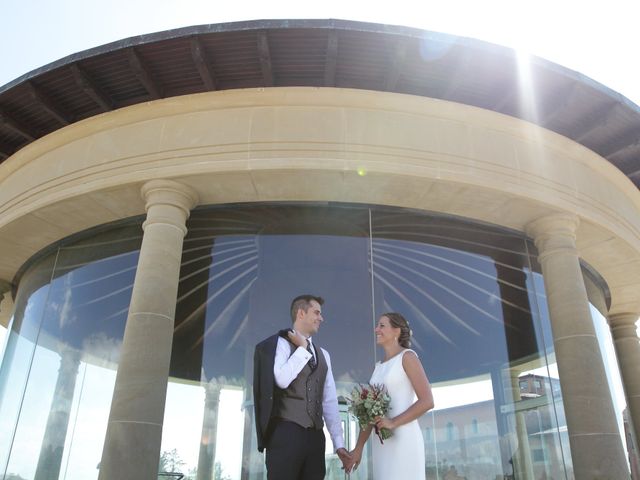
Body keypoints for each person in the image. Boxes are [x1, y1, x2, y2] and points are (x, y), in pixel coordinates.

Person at [253, 294, 352, 479]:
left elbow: (329, 401)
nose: (321, 318)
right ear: (300, 313)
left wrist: (338, 443)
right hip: (285, 434)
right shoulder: (280, 344)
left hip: (315, 437)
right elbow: (281, 379)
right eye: (316, 312)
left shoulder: (325, 355)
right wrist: (303, 349)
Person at [347, 312, 434, 479]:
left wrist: (393, 422)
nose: (376, 329)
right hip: (382, 444)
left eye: (382, 325)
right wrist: (358, 449)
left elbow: (427, 401)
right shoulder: (378, 367)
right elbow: (370, 414)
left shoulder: (407, 357)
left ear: (396, 331)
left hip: (404, 439)